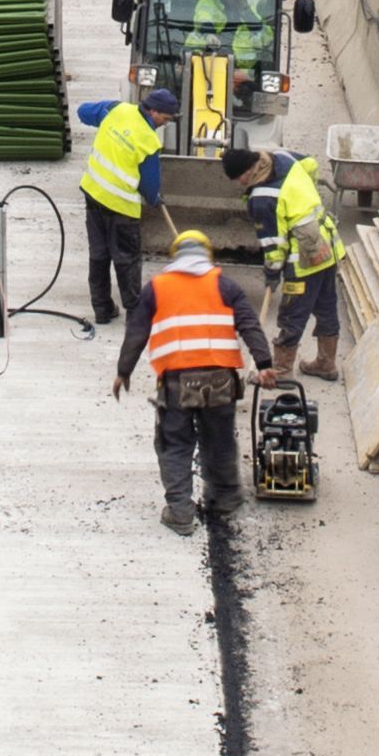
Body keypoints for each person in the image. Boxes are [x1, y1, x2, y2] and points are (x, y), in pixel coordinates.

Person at [109, 227, 271, 534]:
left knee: (175, 444)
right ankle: (225, 497)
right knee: (220, 440)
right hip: (220, 381)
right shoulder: (225, 285)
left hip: (177, 383)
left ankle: (181, 513)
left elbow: (136, 333)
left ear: (175, 256)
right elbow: (249, 325)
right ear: (207, 255)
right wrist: (264, 363)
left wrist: (123, 372)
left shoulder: (157, 288)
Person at [228, 144, 345, 381]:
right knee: (326, 307)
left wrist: (272, 274)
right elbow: (311, 164)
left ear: (249, 169)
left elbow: (274, 245)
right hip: (326, 247)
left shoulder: (262, 198)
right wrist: (306, 197)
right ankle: (326, 363)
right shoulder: (282, 158)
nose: (239, 183)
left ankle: (280, 372)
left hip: (304, 260)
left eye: (238, 177)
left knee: (293, 313)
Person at [74, 93, 160, 322]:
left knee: (99, 254)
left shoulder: (116, 109)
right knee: (126, 259)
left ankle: (102, 310)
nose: (166, 123)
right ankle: (135, 312)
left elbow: (83, 111)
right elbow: (150, 188)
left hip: (94, 194)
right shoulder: (149, 140)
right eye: (166, 118)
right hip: (121, 207)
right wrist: (155, 198)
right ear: (154, 112)